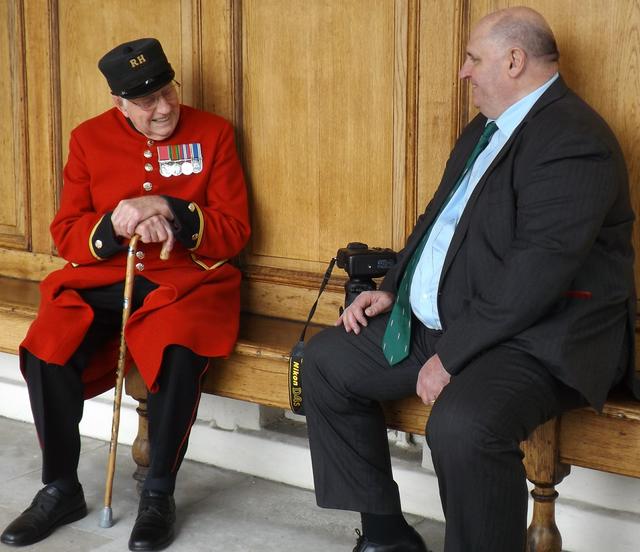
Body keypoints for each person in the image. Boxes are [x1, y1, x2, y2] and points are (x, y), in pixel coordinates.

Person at [302, 7, 637, 552]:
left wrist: (450, 355)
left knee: (461, 425)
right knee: (326, 362)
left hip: (540, 340)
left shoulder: (575, 139)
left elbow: (537, 272)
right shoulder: (487, 127)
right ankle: (386, 535)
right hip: (462, 321)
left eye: (473, 59)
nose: (463, 71)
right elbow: (438, 217)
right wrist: (394, 287)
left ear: (513, 60)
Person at [0, 38, 250, 551]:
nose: (162, 109)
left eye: (167, 92)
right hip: (102, 279)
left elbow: (235, 228)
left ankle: (158, 493)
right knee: (48, 347)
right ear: (119, 103)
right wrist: (112, 228)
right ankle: (60, 488)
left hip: (186, 281)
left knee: (178, 347)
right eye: (145, 101)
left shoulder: (213, 133)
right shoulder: (88, 139)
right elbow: (66, 231)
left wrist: (170, 210)